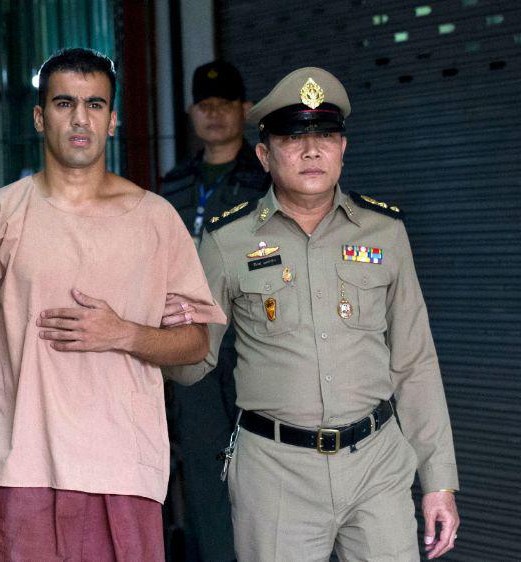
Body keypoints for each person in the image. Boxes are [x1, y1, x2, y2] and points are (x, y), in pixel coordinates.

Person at [0, 47, 226, 562]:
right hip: (23, 469)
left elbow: (196, 343)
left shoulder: (155, 219)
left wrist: (124, 333)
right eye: (64, 103)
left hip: (126, 470)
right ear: (39, 117)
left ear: (112, 120)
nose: (80, 118)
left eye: (95, 105)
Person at [166, 67, 460, 561]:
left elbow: (415, 362)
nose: (311, 151)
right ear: (264, 155)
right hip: (275, 473)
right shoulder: (226, 241)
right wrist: (161, 335)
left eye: (324, 136)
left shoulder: (385, 232)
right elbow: (195, 363)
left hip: (377, 465)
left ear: (343, 148)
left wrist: (439, 481)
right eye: (292, 138)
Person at [159, 60, 267, 562]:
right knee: (204, 469)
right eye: (205, 105)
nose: (215, 114)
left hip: (253, 340)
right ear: (191, 112)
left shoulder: (267, 178)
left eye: (225, 104)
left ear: (246, 110)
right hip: (192, 342)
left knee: (263, 462)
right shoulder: (173, 184)